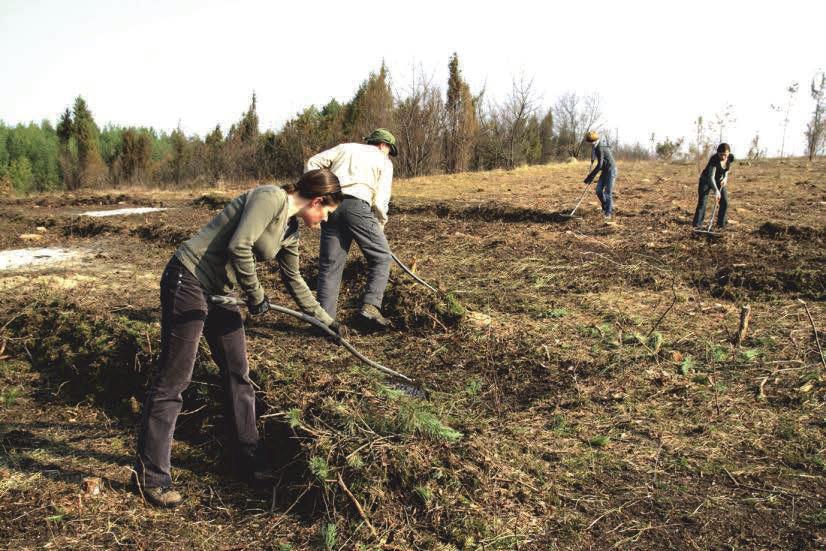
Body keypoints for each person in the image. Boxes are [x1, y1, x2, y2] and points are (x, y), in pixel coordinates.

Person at [134, 169, 344, 508]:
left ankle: (247, 462)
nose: (322, 221)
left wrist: (325, 321)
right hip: (189, 280)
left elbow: (294, 280)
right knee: (175, 379)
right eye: (326, 214)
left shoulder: (290, 231)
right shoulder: (270, 197)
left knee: (238, 374)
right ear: (317, 201)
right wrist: (256, 292)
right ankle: (150, 476)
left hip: (221, 293)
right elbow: (239, 245)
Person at [305, 128, 397, 328]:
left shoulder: (345, 148)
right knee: (382, 257)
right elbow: (381, 199)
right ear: (384, 145)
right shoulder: (384, 161)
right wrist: (379, 225)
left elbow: (313, 162)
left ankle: (324, 322)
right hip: (357, 206)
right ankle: (371, 306)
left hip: (331, 206)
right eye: (389, 149)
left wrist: (319, 192)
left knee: (330, 266)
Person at [693, 143, 734, 230]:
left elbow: (726, 170)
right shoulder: (714, 159)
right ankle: (697, 225)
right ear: (717, 153)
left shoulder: (730, 158)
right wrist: (716, 191)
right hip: (706, 180)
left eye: (725, 155)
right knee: (702, 202)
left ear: (729, 153)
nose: (723, 157)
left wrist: (725, 178)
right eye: (721, 154)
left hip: (719, 180)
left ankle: (721, 224)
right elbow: (711, 177)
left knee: (725, 202)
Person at [583, 131, 618, 223]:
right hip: (605, 170)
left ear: (594, 140)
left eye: (590, 141)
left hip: (611, 170)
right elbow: (595, 158)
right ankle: (606, 205)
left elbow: (600, 165)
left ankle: (608, 213)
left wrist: (590, 176)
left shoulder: (600, 147)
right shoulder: (595, 147)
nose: (589, 143)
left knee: (607, 192)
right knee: (598, 190)